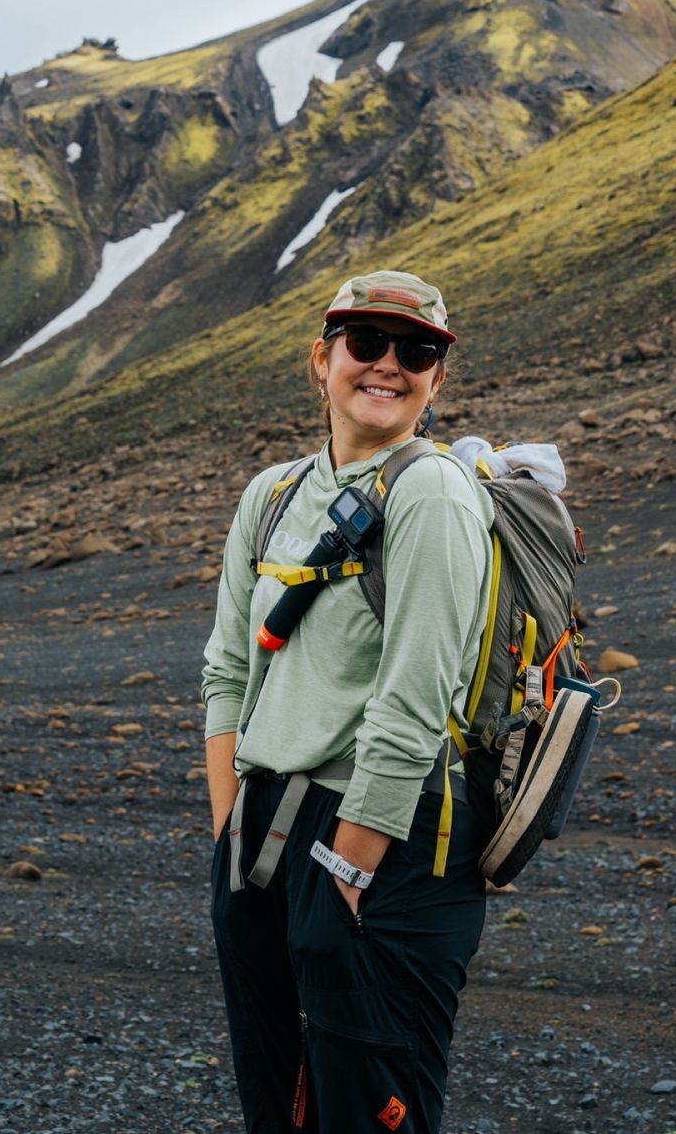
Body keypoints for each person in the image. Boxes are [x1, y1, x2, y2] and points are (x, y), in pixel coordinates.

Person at [202, 268, 494, 1134]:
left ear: (438, 378)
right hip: (264, 833)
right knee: (278, 1101)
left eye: (417, 351)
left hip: (387, 845)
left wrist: (348, 870)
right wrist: (229, 838)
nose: (388, 364)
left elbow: (412, 700)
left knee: (371, 1109)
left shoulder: (431, 493)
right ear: (321, 359)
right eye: (366, 343)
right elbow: (227, 674)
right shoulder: (273, 494)